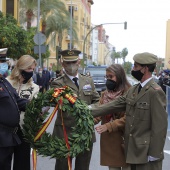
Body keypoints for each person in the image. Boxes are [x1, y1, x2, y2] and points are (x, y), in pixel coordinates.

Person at [90, 52, 168, 170]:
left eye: (136, 66)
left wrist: (154, 154)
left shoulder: (155, 92)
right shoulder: (134, 90)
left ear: (145, 69)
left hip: (147, 153)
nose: (133, 69)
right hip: (133, 150)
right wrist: (86, 110)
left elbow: (160, 127)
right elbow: (114, 105)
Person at [51, 49, 100, 170]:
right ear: (62, 64)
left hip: (85, 132)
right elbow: (57, 101)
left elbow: (97, 101)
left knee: (83, 167)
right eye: (68, 63)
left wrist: (91, 115)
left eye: (73, 62)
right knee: (62, 166)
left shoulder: (88, 80)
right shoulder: (58, 84)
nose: (71, 65)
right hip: (65, 132)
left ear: (79, 62)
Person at [94, 64, 131, 170]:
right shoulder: (105, 94)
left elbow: (129, 118)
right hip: (110, 141)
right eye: (107, 77)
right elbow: (100, 113)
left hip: (125, 139)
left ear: (119, 77)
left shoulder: (129, 93)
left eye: (111, 76)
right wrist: (87, 121)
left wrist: (109, 126)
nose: (108, 79)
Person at [6, 55, 39, 170]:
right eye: (29, 69)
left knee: (22, 164)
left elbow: (35, 108)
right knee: (4, 162)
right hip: (6, 130)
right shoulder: (6, 83)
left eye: (33, 69)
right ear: (21, 67)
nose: (31, 72)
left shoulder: (34, 87)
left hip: (24, 130)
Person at [0, 48, 28, 170]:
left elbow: (19, 101)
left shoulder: (3, 82)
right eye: (1, 62)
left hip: (7, 137)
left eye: (3, 61)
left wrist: (39, 104)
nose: (4, 65)